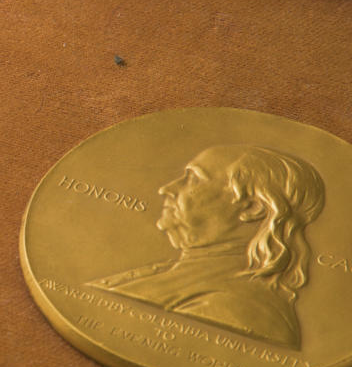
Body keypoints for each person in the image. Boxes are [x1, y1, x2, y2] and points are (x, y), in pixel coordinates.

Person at [90, 145, 324, 349]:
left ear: (252, 208)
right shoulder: (179, 273)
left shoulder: (240, 310)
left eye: (193, 178)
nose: (166, 189)